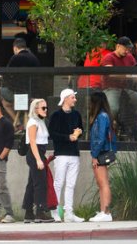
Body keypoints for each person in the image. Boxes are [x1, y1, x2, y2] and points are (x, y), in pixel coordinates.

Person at [48, 88, 84, 223]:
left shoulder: (77, 115)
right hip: (61, 154)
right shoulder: (56, 115)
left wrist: (78, 132)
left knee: (71, 184)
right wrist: (68, 137)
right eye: (72, 97)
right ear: (65, 99)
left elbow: (81, 128)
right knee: (59, 183)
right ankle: (55, 212)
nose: (75, 99)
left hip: (74, 153)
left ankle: (69, 213)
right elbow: (52, 134)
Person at [0, 37, 40, 123]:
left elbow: (7, 75)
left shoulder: (16, 58)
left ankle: (17, 123)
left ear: (15, 48)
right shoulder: (34, 58)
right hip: (33, 93)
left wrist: (0, 71)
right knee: (5, 102)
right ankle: (18, 121)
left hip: (18, 93)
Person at [22, 98, 54, 223]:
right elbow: (33, 142)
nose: (46, 110)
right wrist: (38, 159)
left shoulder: (40, 121)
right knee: (40, 183)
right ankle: (40, 211)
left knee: (32, 184)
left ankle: (28, 213)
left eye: (46, 107)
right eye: (43, 108)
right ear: (35, 109)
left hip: (40, 153)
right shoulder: (33, 122)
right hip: (35, 154)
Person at [88, 91, 116, 222]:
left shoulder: (101, 117)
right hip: (100, 152)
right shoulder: (103, 116)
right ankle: (103, 211)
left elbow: (100, 137)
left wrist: (94, 155)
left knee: (103, 183)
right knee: (101, 183)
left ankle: (106, 212)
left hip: (101, 152)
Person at [101, 36, 137, 130]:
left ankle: (135, 126)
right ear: (117, 46)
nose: (127, 51)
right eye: (125, 48)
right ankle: (107, 127)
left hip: (125, 89)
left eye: (129, 49)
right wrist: (129, 76)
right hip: (111, 88)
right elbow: (111, 74)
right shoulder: (108, 57)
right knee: (113, 108)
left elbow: (136, 69)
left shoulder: (129, 57)